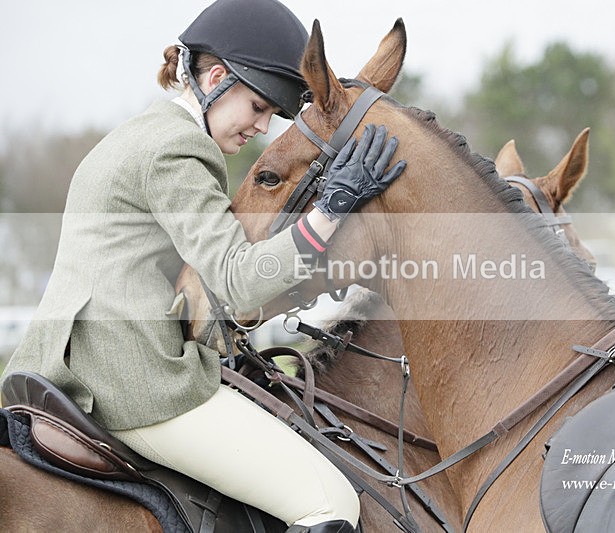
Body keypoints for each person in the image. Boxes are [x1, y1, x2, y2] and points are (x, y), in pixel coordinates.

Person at [0, 0, 406, 531]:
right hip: (132, 381)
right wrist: (332, 210)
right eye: (259, 106)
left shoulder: (134, 135)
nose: (261, 127)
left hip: (62, 368)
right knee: (330, 501)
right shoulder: (179, 150)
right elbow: (236, 280)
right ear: (216, 78)